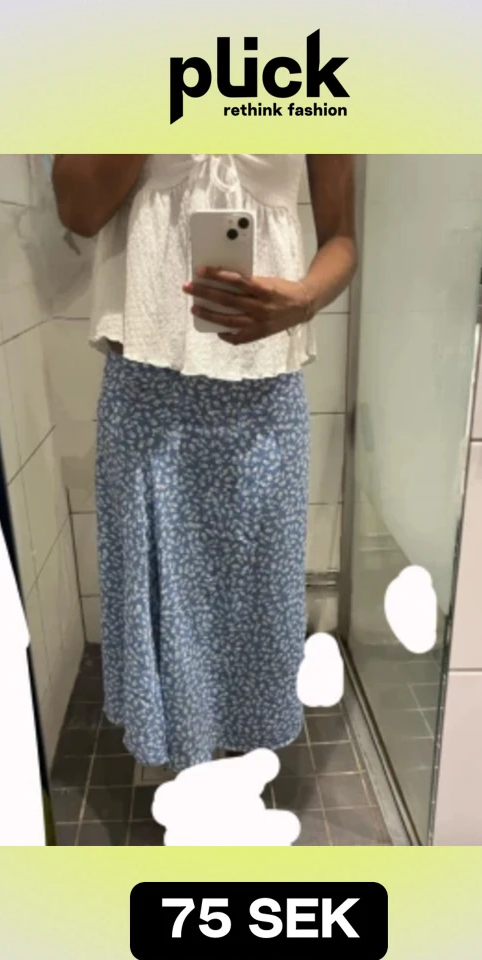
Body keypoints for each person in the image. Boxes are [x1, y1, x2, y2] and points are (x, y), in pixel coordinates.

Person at [52, 154, 356, 772]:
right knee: (164, 593)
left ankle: (242, 771)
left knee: (255, 598)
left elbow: (342, 238)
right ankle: (184, 771)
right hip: (147, 388)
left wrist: (303, 298)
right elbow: (78, 211)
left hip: (263, 391)